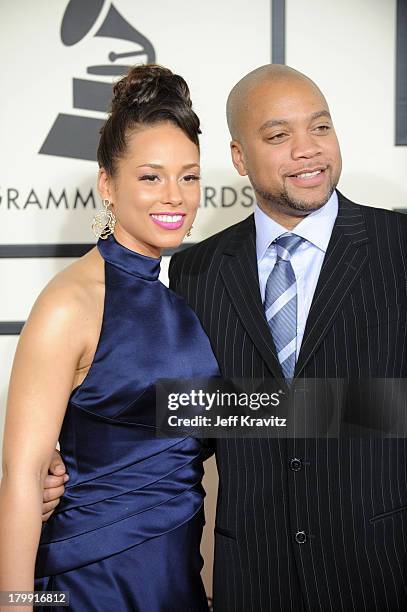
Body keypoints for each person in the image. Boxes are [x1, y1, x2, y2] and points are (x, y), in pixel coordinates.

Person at [43, 64, 407, 611]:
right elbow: (204, 418)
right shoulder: (196, 272)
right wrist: (82, 449)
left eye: (321, 127)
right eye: (279, 135)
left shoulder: (398, 248)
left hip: (382, 574)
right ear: (239, 158)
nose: (308, 150)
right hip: (252, 581)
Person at [0, 64, 219, 612]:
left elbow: (203, 424)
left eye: (188, 176)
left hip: (177, 586)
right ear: (107, 183)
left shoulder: (184, 303)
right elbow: (24, 477)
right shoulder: (69, 303)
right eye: (151, 176)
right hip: (86, 592)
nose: (174, 196)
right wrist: (15, 604)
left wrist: (367, 411)